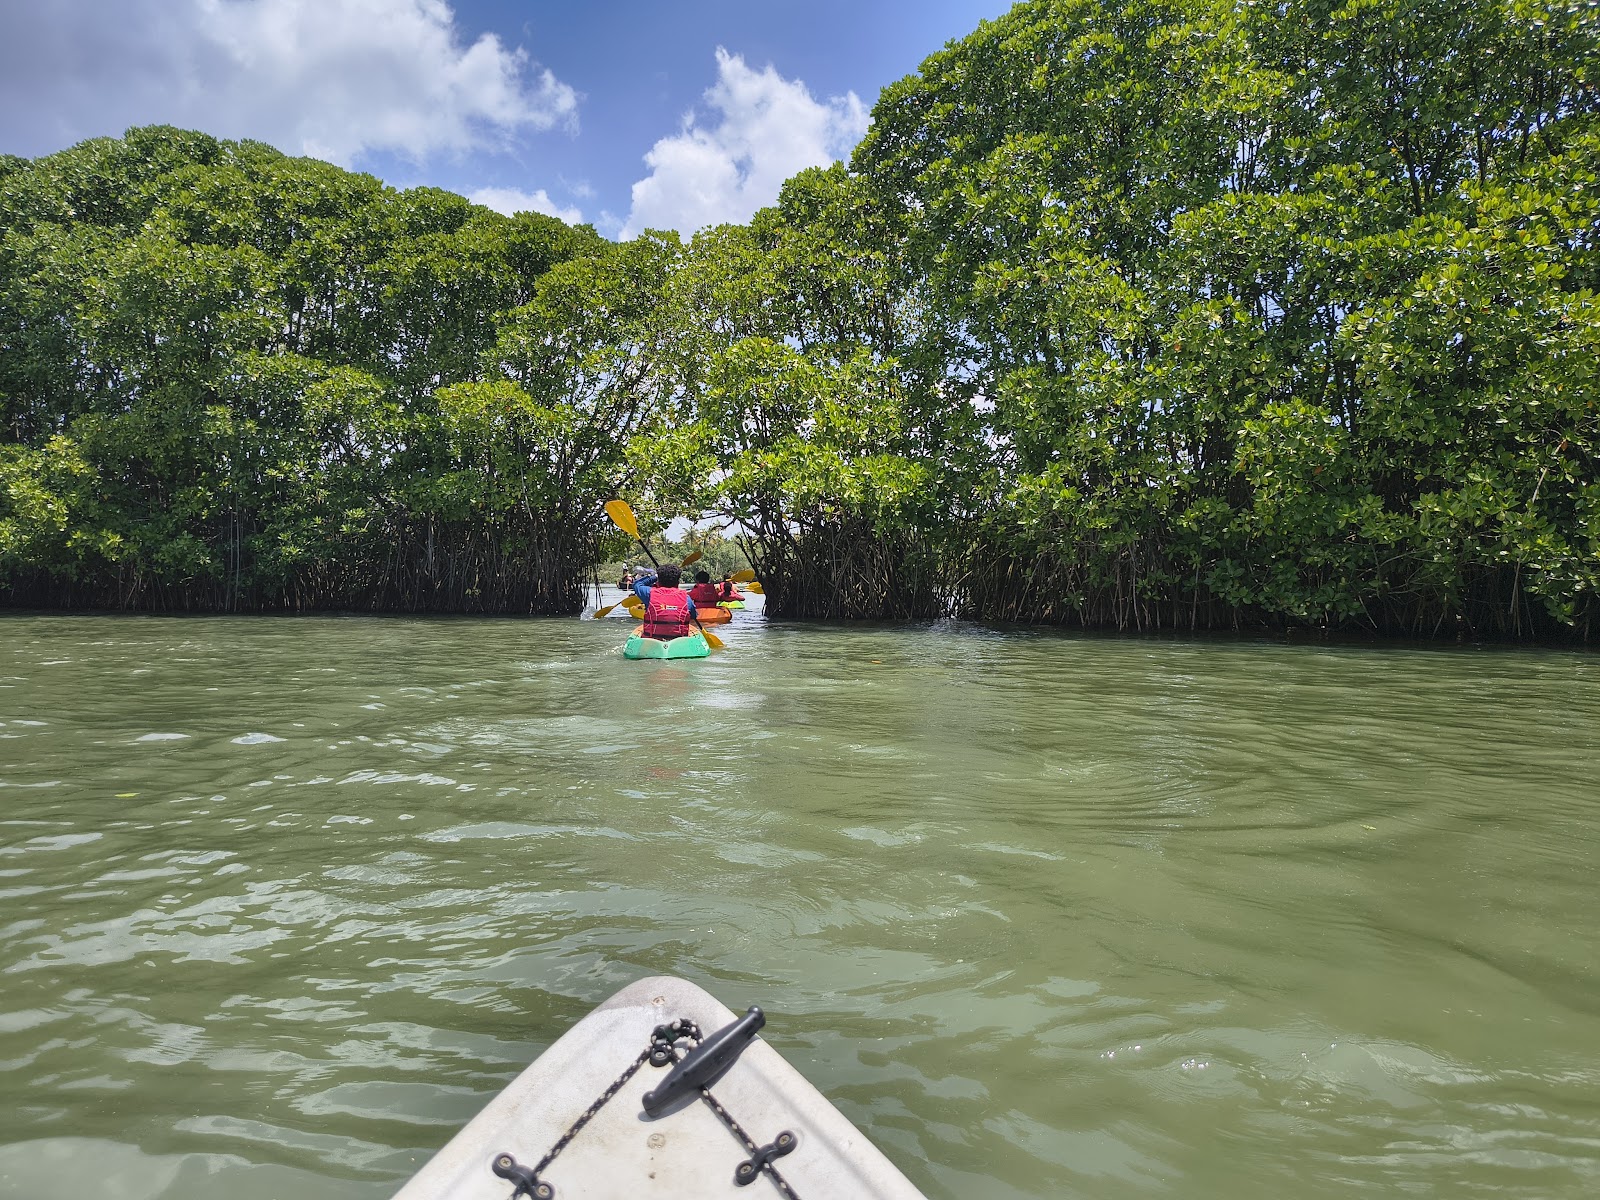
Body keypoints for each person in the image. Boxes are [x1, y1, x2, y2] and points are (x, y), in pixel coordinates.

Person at [632, 563, 698, 640]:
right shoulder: (687, 598)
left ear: (658, 581)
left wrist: (654, 576)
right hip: (679, 642)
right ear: (678, 582)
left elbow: (637, 584)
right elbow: (693, 616)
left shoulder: (649, 593)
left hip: (652, 641)